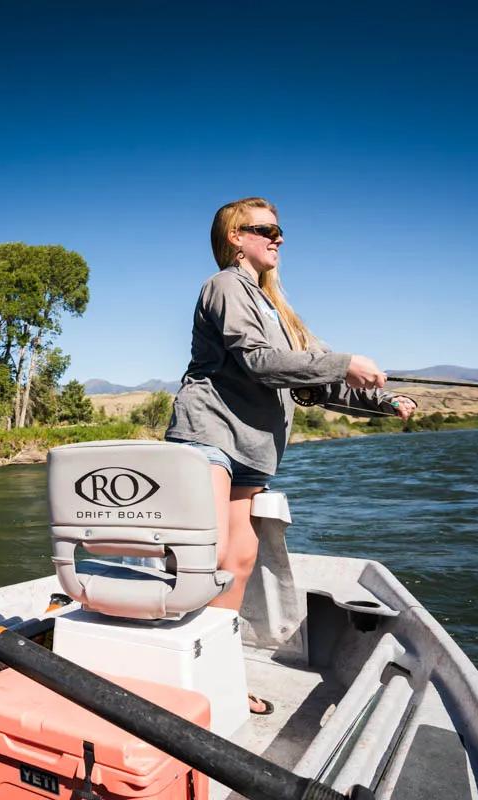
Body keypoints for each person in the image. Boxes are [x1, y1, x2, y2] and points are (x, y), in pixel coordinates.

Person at [165, 197, 416, 714]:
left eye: (281, 231)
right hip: (209, 430)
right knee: (207, 558)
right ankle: (176, 672)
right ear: (236, 235)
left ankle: (218, 675)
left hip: (253, 445)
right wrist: (346, 363)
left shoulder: (280, 309)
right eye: (267, 229)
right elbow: (260, 362)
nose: (278, 238)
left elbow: (316, 376)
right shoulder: (224, 287)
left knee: (238, 560)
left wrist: (384, 401)